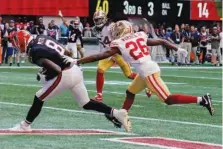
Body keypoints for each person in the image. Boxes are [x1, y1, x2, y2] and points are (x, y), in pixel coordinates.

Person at [77, 20, 214, 127]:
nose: (115, 32)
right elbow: (161, 40)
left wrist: (79, 60)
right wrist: (176, 49)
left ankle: (202, 100)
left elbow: (98, 56)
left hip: (148, 72)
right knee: (130, 92)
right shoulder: (139, 35)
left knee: (168, 99)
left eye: (118, 30)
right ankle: (120, 117)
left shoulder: (119, 43)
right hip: (144, 72)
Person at [9, 30, 131, 132]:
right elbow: (64, 51)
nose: (15, 46)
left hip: (65, 73)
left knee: (39, 97)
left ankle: (25, 125)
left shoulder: (33, 50)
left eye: (16, 43)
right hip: (75, 68)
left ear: (21, 42)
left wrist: (45, 74)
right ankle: (116, 113)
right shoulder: (40, 37)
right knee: (86, 103)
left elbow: (56, 69)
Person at [89, 10, 152, 102]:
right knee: (100, 70)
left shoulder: (112, 26)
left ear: (104, 19)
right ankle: (99, 95)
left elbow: (123, 35)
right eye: (96, 20)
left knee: (129, 75)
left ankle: (146, 82)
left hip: (118, 52)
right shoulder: (94, 30)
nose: (98, 22)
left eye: (99, 19)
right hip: (107, 53)